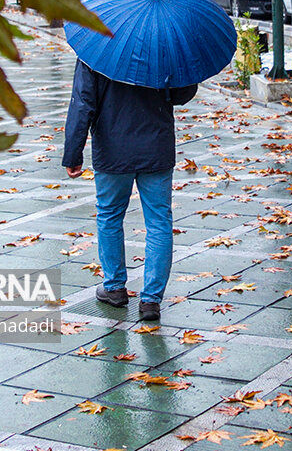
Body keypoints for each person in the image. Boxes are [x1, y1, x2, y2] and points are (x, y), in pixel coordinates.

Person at [62, 60, 197, 321]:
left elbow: (83, 102)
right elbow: (182, 94)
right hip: (156, 145)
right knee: (159, 222)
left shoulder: (96, 48)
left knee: (110, 216)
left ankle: (114, 287)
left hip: (113, 148)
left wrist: (73, 152)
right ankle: (151, 300)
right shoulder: (165, 45)